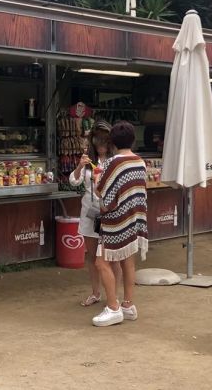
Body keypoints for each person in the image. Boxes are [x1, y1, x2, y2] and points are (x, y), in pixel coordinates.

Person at [91, 121, 149, 327]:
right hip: (134, 219)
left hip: (115, 221)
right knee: (128, 261)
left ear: (112, 142)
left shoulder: (113, 163)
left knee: (101, 262)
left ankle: (113, 307)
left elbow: (102, 192)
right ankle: (128, 305)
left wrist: (98, 178)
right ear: (132, 139)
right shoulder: (140, 162)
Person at [68, 121, 122, 307]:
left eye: (104, 142)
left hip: (110, 212)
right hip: (90, 212)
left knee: (112, 256)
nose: (101, 147)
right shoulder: (88, 160)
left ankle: (113, 295)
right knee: (91, 255)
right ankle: (95, 293)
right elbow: (74, 182)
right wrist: (79, 166)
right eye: (97, 142)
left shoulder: (115, 161)